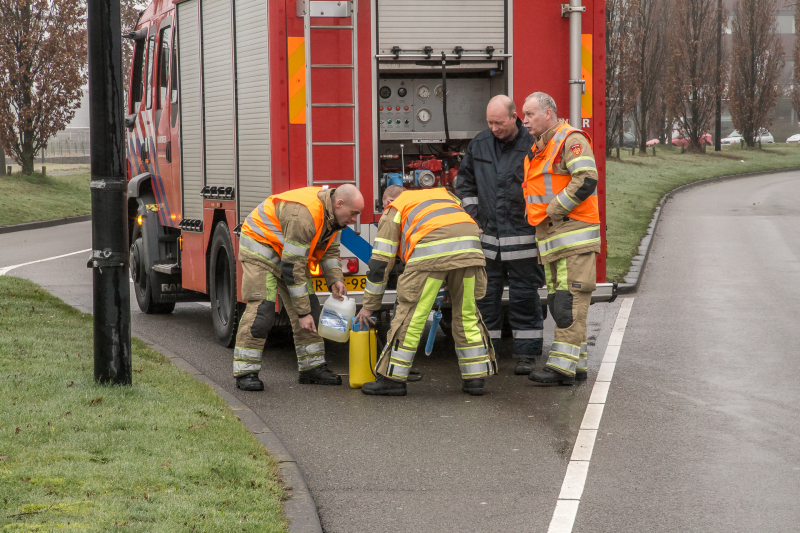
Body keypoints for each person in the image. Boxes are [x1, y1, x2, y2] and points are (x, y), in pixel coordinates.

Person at [354, 185, 496, 397]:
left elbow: (380, 263)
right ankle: (475, 379)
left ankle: (393, 380)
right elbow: (455, 229)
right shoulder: (444, 196)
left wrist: (369, 306)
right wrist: (449, 279)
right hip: (471, 249)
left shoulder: (395, 208)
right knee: (467, 314)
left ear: (388, 202)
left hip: (430, 254)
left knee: (412, 316)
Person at [233, 185, 364, 391]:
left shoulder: (334, 220)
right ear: (339, 204)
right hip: (261, 251)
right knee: (262, 311)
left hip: (288, 256)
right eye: (353, 213)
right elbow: (292, 267)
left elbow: (329, 251)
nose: (354, 219)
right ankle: (245, 371)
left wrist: (335, 280)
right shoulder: (304, 215)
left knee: (311, 309)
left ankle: (312, 368)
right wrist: (302, 313)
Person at [455, 95, 545, 375]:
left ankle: (526, 355)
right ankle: (487, 351)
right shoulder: (480, 144)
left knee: (525, 297)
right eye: (490, 123)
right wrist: (475, 217)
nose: (494, 128)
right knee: (485, 298)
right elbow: (464, 184)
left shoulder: (533, 144)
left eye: (499, 123)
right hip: (488, 240)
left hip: (523, 238)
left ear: (514, 117)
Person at [521, 92, 601, 385]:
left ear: (548, 113)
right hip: (555, 239)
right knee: (560, 302)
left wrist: (554, 209)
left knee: (568, 303)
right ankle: (576, 366)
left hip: (572, 237)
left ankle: (561, 369)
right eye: (524, 114)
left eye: (530, 114)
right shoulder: (540, 147)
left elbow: (586, 179)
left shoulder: (570, 139)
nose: (524, 120)